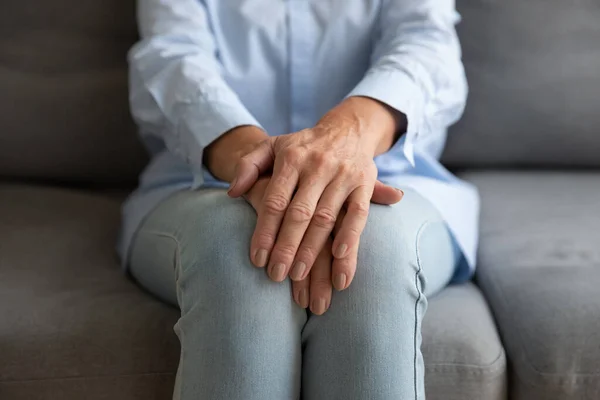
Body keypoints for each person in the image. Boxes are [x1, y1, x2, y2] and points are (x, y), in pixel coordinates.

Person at [120, 0, 479, 399]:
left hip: (395, 177)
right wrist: (267, 169)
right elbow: (170, 55)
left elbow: (426, 43)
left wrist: (344, 141)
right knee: (237, 250)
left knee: (371, 249)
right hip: (204, 181)